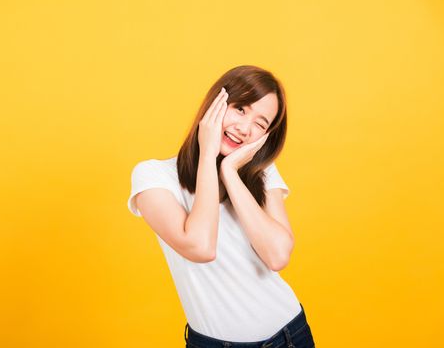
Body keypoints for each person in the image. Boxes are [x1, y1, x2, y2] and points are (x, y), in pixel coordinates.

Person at [127, 65, 316, 348]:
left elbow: (277, 256)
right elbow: (201, 247)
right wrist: (208, 154)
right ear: (216, 103)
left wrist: (230, 171)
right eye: (240, 109)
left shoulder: (262, 173)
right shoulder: (154, 177)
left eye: (260, 123)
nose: (244, 128)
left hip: (289, 336)